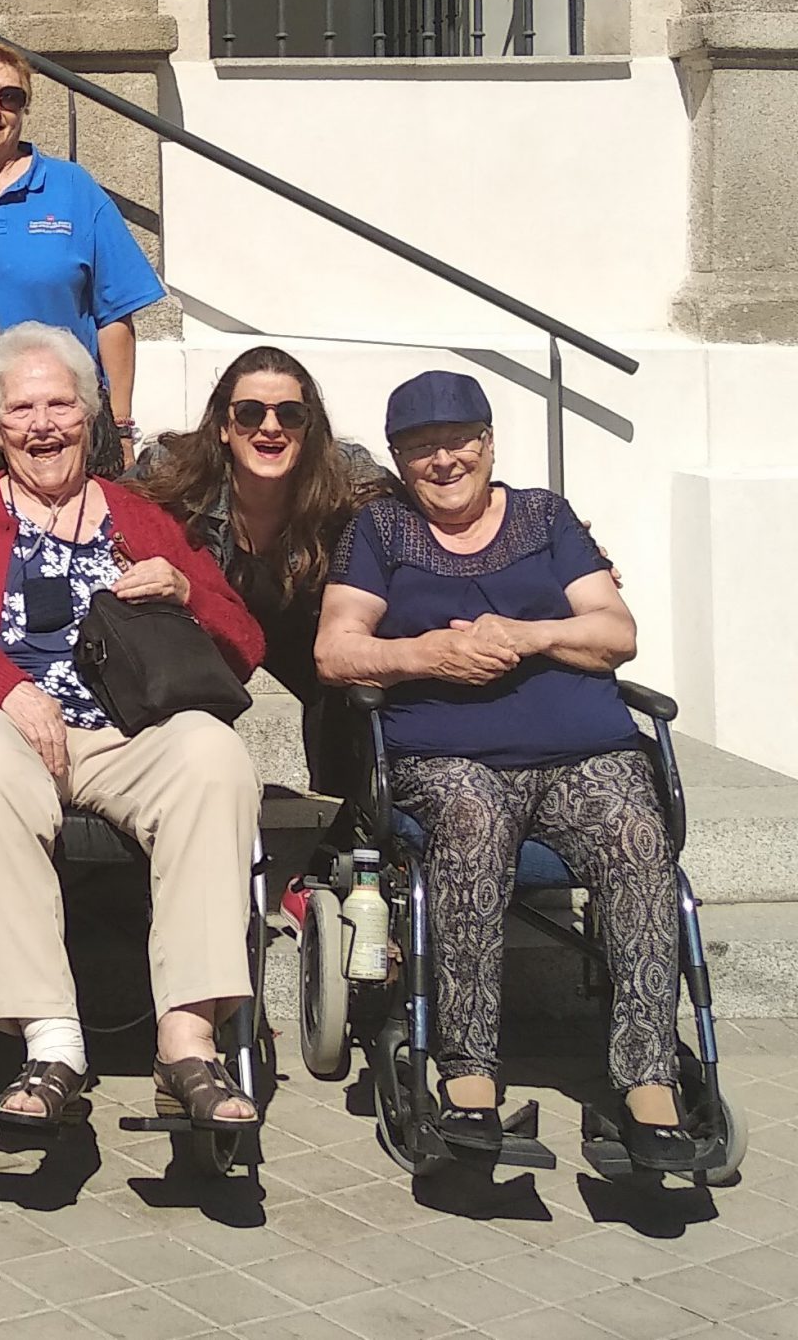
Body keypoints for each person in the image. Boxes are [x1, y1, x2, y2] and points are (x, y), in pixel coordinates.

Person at [0, 321, 265, 1130]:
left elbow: (247, 644)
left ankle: (189, 1043)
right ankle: (51, 1042)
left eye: (60, 404)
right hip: (2, 731)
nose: (42, 424)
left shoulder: (143, 521)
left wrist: (189, 595)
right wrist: (2, 686)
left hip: (124, 738)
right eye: (22, 409)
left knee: (214, 756)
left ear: (90, 415)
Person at [316, 371, 695, 1167]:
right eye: (420, 448)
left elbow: (615, 632)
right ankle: (469, 1076)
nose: (443, 460)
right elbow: (335, 650)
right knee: (473, 822)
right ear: (398, 458)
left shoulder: (545, 517)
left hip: (583, 750)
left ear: (488, 443)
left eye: (458, 440)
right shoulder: (380, 533)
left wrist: (526, 635)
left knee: (635, 829)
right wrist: (430, 653)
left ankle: (650, 1083)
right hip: (447, 755)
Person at [135, 346, 388, 799]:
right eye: (250, 413)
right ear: (223, 426)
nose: (270, 428)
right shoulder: (171, 473)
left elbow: (411, 522)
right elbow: (103, 514)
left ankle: (337, 836)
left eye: (289, 414)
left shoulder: (347, 478)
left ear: (309, 427)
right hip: (206, 618)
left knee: (346, 684)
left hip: (305, 611)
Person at [0, 38, 163, 460]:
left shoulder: (74, 189)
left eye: (10, 97)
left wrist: (122, 428)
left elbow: (115, 316)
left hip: (61, 426)